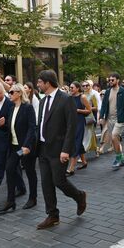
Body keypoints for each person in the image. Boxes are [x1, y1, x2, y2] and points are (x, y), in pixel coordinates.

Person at [35, 69, 87, 229]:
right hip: (43, 149)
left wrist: (66, 150)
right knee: (45, 183)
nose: (38, 84)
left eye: (39, 82)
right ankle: (53, 215)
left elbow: (72, 127)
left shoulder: (66, 99)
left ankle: (79, 196)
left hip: (59, 149)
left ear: (47, 83)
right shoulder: (43, 101)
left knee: (59, 181)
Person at [0, 83, 38, 213]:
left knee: (30, 171)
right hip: (14, 147)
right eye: (9, 92)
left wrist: (27, 145)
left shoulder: (28, 108)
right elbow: (12, 128)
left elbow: (32, 128)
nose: (9, 94)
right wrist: (2, 125)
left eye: (11, 92)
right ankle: (10, 201)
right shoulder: (11, 108)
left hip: (25, 147)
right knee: (10, 169)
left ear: (19, 93)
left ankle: (33, 198)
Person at [99, 73, 124, 167]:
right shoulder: (108, 91)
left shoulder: (123, 91)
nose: (110, 82)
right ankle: (121, 159)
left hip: (120, 119)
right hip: (109, 119)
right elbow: (104, 105)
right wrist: (101, 116)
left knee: (113, 137)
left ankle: (118, 157)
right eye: (109, 80)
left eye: (112, 80)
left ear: (117, 80)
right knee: (114, 140)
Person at [66, 82, 91, 175]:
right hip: (71, 122)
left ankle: (71, 168)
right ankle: (84, 162)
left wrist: (78, 110)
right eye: (70, 87)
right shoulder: (69, 97)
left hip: (79, 122)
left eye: (72, 87)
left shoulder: (82, 97)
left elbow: (89, 110)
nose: (70, 89)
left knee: (75, 143)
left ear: (77, 88)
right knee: (78, 143)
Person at [82, 80, 99, 157]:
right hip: (81, 116)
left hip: (89, 117)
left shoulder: (92, 95)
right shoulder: (81, 95)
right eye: (83, 86)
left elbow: (96, 107)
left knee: (87, 134)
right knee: (88, 134)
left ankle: (83, 151)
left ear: (90, 86)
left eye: (87, 85)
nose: (85, 87)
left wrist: (88, 108)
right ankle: (96, 149)